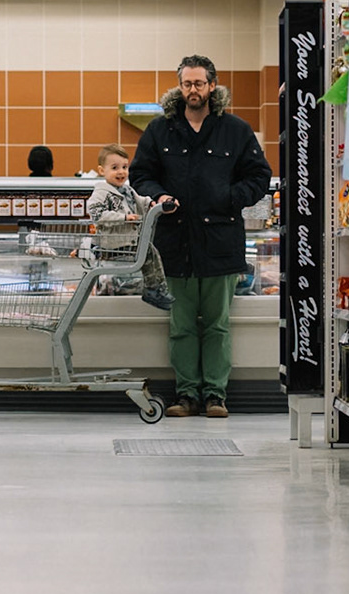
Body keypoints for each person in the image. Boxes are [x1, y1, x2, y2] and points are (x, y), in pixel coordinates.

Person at [130, 55, 272, 419]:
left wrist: (230, 198)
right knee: (180, 327)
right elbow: (140, 174)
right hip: (174, 245)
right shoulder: (160, 130)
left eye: (199, 83)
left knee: (217, 326)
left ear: (212, 86)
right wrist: (159, 196)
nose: (193, 90)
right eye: (187, 84)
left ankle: (215, 396)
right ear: (179, 87)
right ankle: (186, 395)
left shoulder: (235, 130)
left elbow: (259, 177)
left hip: (220, 244)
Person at [85, 143, 171, 311]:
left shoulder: (128, 190)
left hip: (127, 242)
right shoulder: (102, 193)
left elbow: (141, 201)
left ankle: (155, 289)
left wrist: (154, 203)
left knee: (150, 253)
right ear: (102, 171)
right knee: (149, 254)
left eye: (125, 167)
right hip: (113, 244)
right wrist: (123, 218)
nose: (121, 172)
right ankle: (154, 289)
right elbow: (97, 215)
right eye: (115, 167)